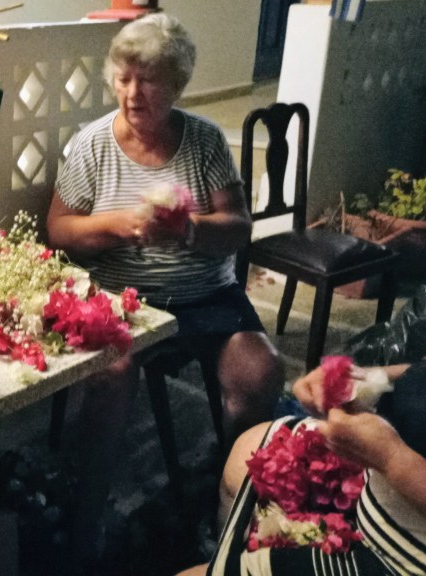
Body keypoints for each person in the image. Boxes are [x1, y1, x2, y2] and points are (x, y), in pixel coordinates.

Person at [45, 12, 284, 564]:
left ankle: (232, 510)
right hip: (123, 304)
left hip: (206, 297)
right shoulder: (91, 146)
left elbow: (240, 227)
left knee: (260, 370)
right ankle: (87, 521)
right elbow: (59, 229)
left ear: (176, 85)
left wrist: (192, 228)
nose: (133, 92)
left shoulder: (201, 142)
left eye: (149, 79)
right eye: (125, 77)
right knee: (109, 376)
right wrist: (120, 225)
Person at [178, 354, 426, 575]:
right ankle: (229, 549)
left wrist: (391, 458)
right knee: (248, 446)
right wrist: (368, 379)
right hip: (393, 466)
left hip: (402, 555)